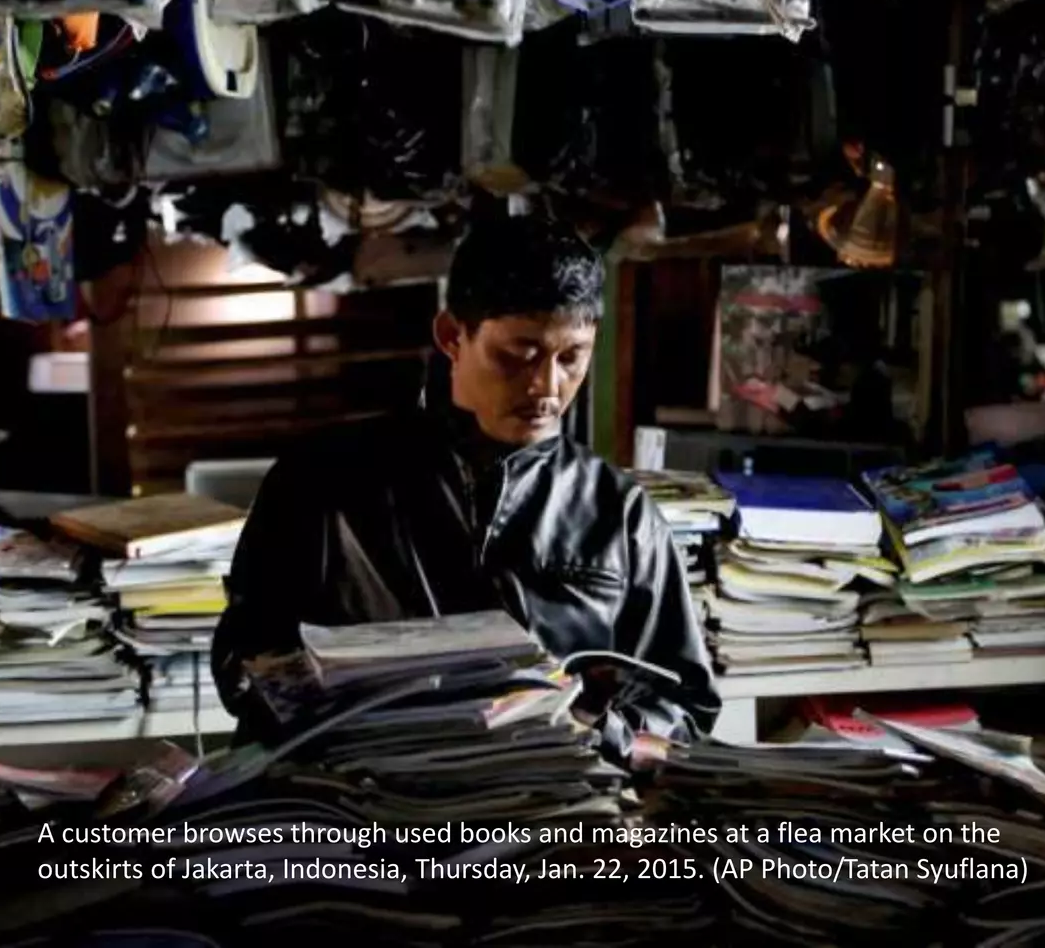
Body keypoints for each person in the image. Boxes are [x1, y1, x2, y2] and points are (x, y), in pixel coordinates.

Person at [212, 215, 719, 760]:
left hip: (548, 813)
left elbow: (685, 707)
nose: (546, 386)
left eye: (571, 357)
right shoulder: (321, 481)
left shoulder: (618, 513)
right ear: (452, 336)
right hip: (370, 811)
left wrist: (603, 731)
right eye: (518, 353)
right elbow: (242, 669)